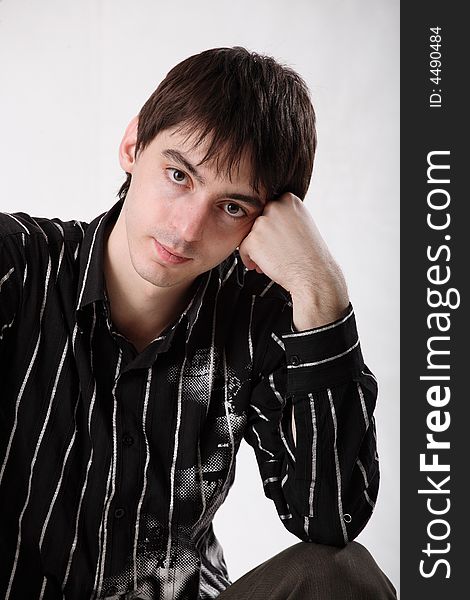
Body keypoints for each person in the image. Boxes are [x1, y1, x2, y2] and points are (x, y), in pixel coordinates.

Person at [0, 47, 396, 599]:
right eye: (179, 174)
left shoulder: (260, 323)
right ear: (133, 145)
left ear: (266, 223)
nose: (186, 229)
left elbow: (330, 521)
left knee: (341, 574)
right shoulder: (16, 268)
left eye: (232, 207)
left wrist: (320, 291)